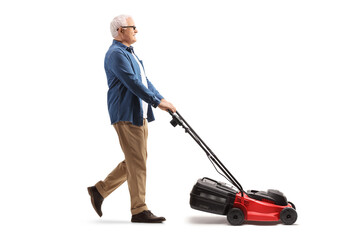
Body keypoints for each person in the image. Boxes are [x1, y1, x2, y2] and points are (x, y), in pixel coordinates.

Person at [87, 14, 176, 223]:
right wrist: (156, 102)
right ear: (120, 31)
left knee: (137, 160)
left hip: (139, 113)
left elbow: (144, 80)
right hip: (126, 114)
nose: (136, 30)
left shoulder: (129, 53)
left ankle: (99, 190)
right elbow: (133, 83)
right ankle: (139, 209)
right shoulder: (115, 54)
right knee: (138, 162)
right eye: (132, 27)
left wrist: (161, 98)